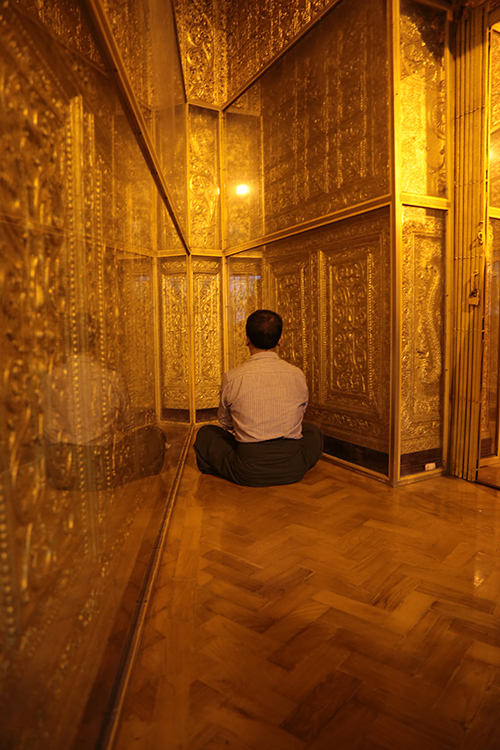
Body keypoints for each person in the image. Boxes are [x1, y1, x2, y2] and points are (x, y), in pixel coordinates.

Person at [194, 309, 323, 486]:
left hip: (247, 470)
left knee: (205, 434)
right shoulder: (297, 374)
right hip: (293, 467)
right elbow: (300, 414)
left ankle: (220, 469)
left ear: (246, 339)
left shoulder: (233, 377)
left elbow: (225, 422)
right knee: (313, 432)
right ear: (280, 340)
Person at [40, 315, 166, 490]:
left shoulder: (50, 379)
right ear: (96, 341)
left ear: (65, 341)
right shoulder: (112, 379)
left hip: (63, 469)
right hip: (99, 468)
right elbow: (126, 425)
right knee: (154, 436)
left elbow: (48, 431)